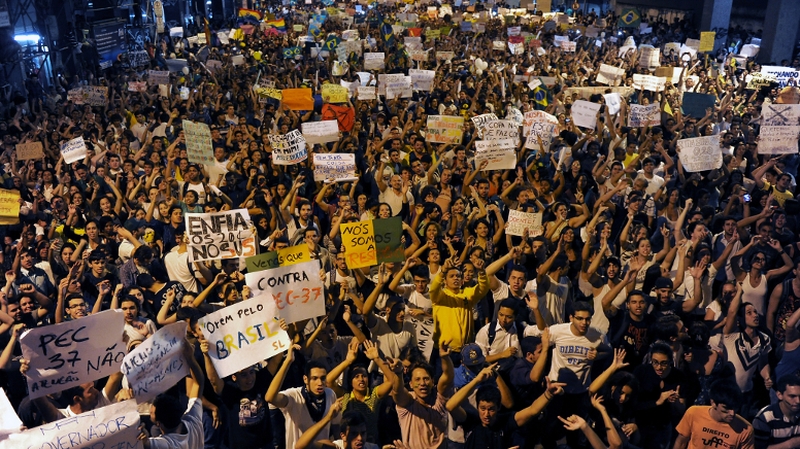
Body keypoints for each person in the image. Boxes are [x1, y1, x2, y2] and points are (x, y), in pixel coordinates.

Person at [266, 344, 339, 449]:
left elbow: (336, 426)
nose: (320, 383)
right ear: (305, 379)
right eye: (314, 378)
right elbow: (270, 398)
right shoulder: (294, 396)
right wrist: (288, 362)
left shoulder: (330, 394)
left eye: (323, 378)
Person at [144, 338, 205, 449]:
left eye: (152, 412)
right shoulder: (193, 421)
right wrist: (190, 358)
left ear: (158, 424)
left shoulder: (165, 444)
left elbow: (144, 443)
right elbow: (198, 383)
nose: (149, 412)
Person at [673, 380, 755, 449]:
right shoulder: (694, 413)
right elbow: (681, 442)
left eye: (735, 408)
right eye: (726, 408)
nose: (732, 413)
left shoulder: (745, 429)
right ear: (713, 403)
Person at [752, 374, 800, 449]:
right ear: (779, 395)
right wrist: (791, 444)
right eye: (792, 396)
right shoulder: (765, 418)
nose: (798, 401)